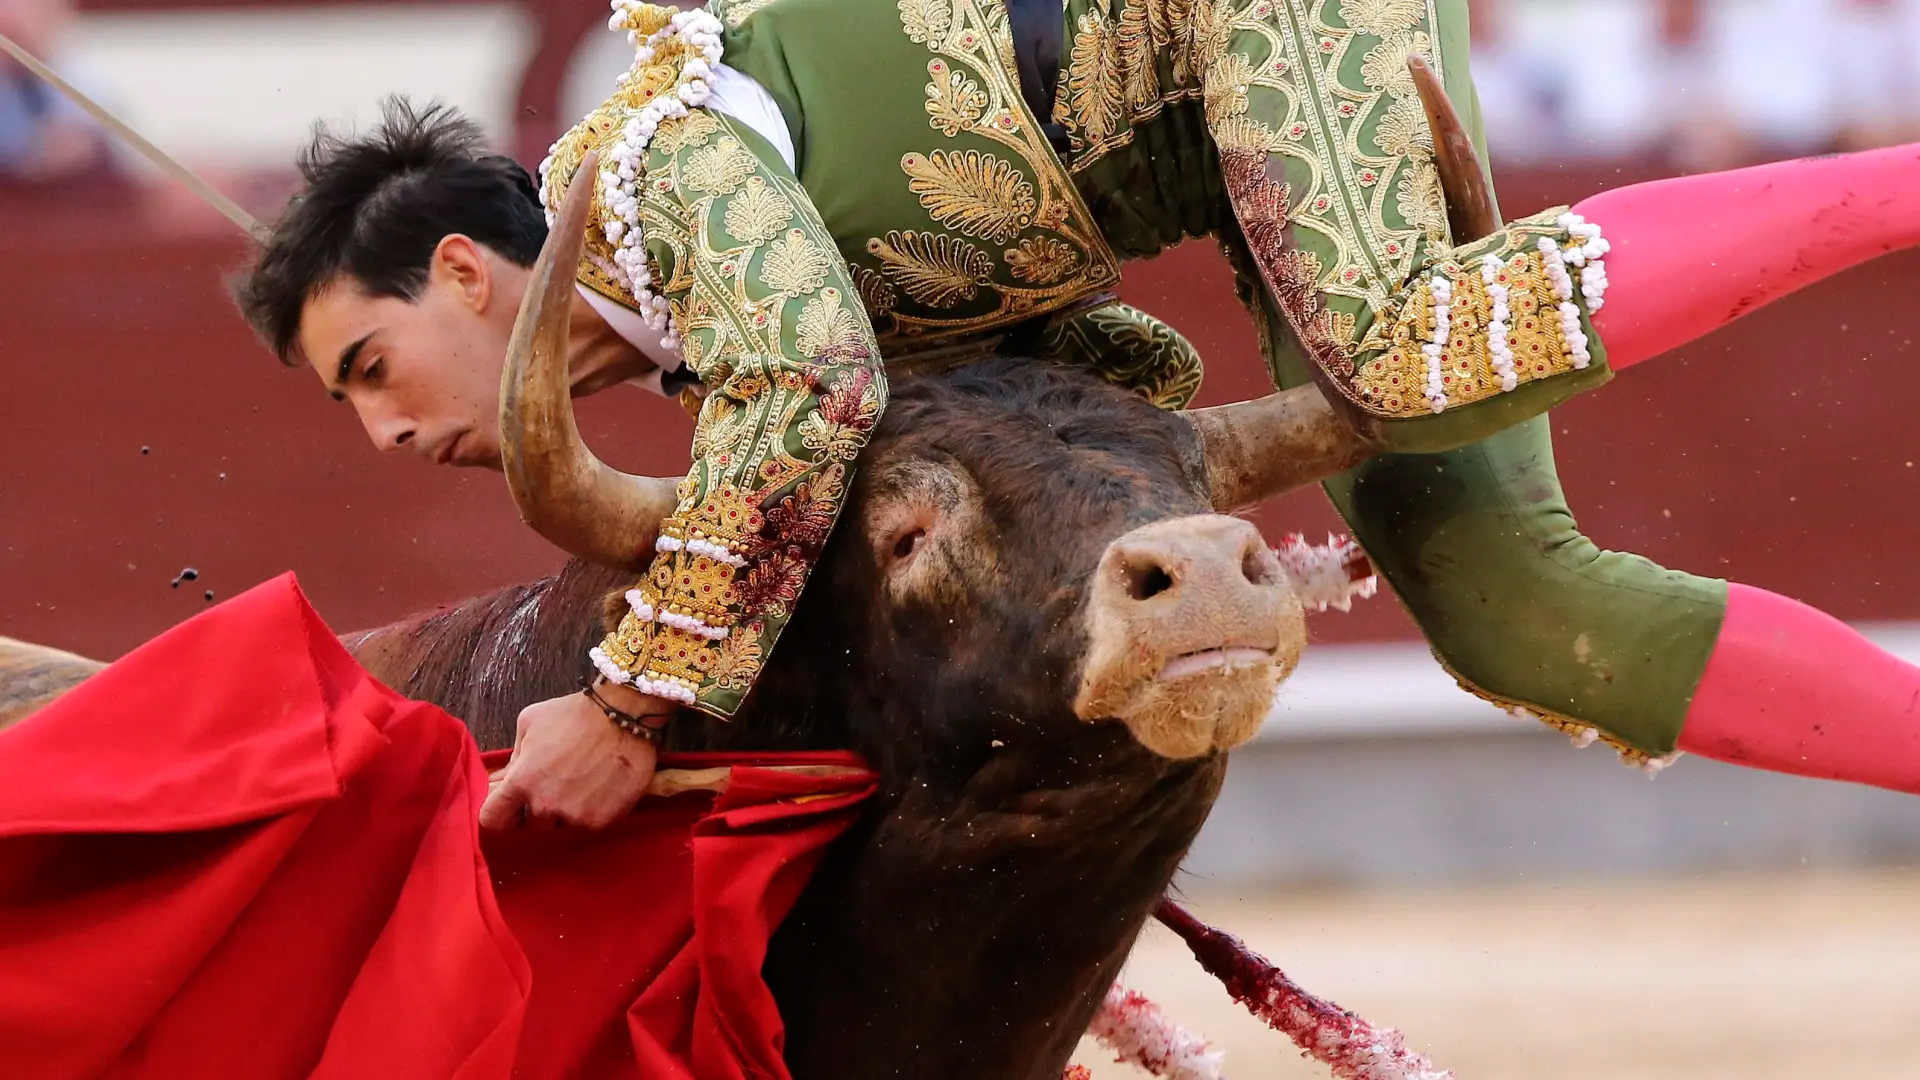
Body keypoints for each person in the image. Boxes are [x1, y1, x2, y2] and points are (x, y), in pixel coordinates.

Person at [232, 0, 1920, 830]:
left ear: (465, 271)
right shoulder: (704, 336)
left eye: (368, 365)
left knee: (1404, 352)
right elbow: (1103, 370)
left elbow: (812, 385)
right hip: (1239, 144)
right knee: (1518, 616)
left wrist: (637, 701)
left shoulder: (649, 164)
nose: (380, 435)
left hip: (1263, 22)